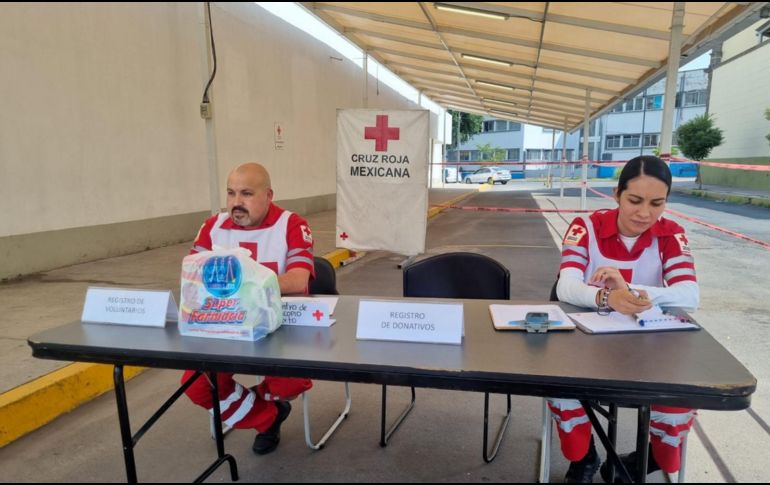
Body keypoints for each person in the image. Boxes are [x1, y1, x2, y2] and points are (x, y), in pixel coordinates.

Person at [550, 156, 699, 483]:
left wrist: (628, 290)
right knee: (559, 388)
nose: (645, 213)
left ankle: (641, 460)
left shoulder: (671, 234)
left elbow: (690, 295)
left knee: (678, 406)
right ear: (617, 194)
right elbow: (566, 285)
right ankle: (585, 456)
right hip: (586, 342)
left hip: (649, 346)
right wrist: (607, 297)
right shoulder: (585, 227)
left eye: (657, 203)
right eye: (635, 200)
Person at [181, 162, 315, 456]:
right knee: (198, 386)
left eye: (246, 193)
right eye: (230, 193)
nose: (236, 203)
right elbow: (192, 276)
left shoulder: (292, 224)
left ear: (268, 195)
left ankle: (265, 402)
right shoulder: (212, 226)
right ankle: (268, 417)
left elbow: (297, 281)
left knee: (288, 383)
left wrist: (239, 284)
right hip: (225, 328)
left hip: (278, 328)